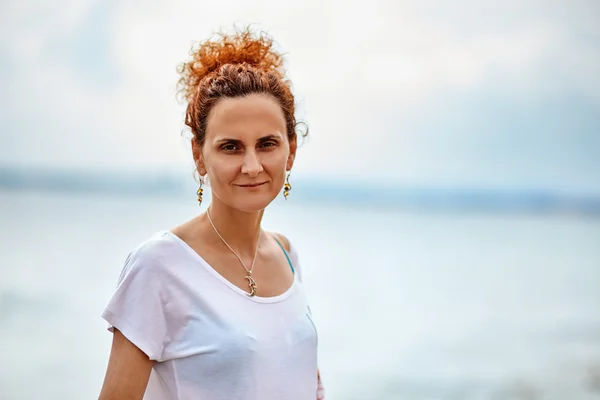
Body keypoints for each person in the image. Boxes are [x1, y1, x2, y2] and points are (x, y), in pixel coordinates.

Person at [97, 27, 325, 399]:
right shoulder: (159, 266)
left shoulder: (286, 254)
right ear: (199, 156)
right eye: (231, 147)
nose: (252, 166)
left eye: (267, 144)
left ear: (292, 149)